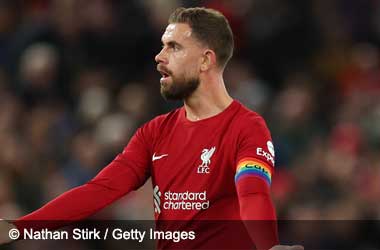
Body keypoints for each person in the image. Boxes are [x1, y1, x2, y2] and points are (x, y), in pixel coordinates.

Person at [0, 7, 303, 250]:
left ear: (205, 60)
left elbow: (252, 194)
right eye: (162, 47)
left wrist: (268, 246)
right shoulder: (155, 132)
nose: (159, 57)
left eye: (173, 47)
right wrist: (19, 227)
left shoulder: (246, 127)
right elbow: (100, 190)